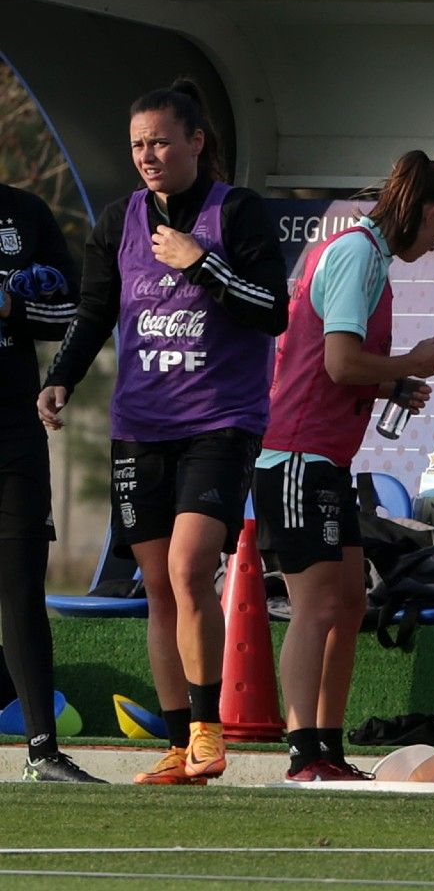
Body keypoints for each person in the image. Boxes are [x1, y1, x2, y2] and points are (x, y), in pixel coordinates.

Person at [40, 79, 287, 786]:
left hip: (219, 423)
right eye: (137, 144)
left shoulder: (235, 211)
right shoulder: (119, 220)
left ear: (196, 142)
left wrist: (201, 264)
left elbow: (272, 310)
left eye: (160, 141)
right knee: (156, 583)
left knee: (187, 568)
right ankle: (180, 743)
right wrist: (61, 376)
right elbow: (94, 312)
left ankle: (210, 731)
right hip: (140, 427)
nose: (148, 155)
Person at [256, 151, 434, 781]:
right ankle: (302, 754)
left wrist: (389, 387)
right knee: (316, 607)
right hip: (297, 456)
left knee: (347, 605)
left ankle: (329, 748)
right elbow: (341, 362)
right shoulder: (356, 254)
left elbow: (329, 365)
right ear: (427, 211)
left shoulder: (367, 256)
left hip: (326, 461)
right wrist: (408, 365)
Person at [0, 183, 99, 783]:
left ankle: (43, 750)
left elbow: (71, 308)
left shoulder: (25, 213)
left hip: (13, 431)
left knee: (20, 590)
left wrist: (9, 306)